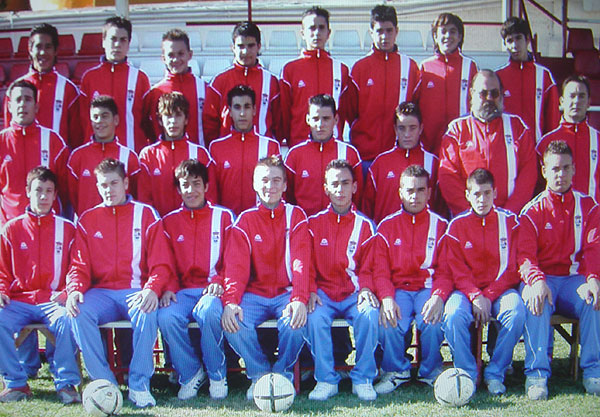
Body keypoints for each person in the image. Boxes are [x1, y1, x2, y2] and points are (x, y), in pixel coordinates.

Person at [66, 158, 172, 408]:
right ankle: (104, 383)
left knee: (147, 310)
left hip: (135, 289)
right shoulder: (87, 219)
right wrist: (74, 291)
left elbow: (161, 263)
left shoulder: (146, 214)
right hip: (101, 292)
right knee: (77, 311)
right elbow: (78, 266)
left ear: (125, 182)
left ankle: (139, 384)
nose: (109, 190)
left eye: (114, 183)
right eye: (103, 185)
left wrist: (152, 288)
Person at [220, 156, 310, 400]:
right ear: (254, 184)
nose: (270, 186)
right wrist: (231, 302)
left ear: (284, 186)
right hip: (255, 294)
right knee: (232, 321)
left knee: (298, 319)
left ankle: (282, 374)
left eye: (276, 180)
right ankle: (259, 374)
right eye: (264, 180)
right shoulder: (244, 221)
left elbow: (300, 261)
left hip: (285, 292)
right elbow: (236, 269)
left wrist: (299, 297)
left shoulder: (296, 216)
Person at [518, 140, 600, 399]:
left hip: (573, 279)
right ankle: (536, 375)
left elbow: (593, 248)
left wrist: (593, 279)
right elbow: (525, 256)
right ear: (544, 171)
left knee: (592, 298)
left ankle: (593, 371)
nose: (560, 175)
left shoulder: (589, 207)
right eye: (554, 169)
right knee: (536, 298)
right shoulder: (531, 211)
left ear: (574, 169)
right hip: (543, 277)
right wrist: (536, 280)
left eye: (566, 168)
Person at [441, 168, 525, 394]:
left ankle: (495, 371)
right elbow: (457, 271)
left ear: (495, 193)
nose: (482, 199)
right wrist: (475, 295)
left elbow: (513, 268)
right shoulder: (456, 227)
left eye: (487, 193)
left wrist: (488, 295)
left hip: (500, 290)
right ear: (467, 195)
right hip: (467, 291)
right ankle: (468, 373)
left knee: (516, 311)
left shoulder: (510, 223)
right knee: (452, 313)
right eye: (476, 194)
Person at [0, 167, 80, 404]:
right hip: (19, 300)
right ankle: (16, 383)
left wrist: (69, 291)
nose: (43, 197)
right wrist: (1, 291)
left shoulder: (67, 229)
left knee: (68, 318)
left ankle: (66, 383)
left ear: (55, 195)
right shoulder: (11, 229)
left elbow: (77, 267)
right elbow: (2, 270)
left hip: (53, 298)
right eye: (38, 191)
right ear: (27, 192)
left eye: (48, 191)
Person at [158, 159, 234, 400]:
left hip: (212, 290)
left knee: (209, 311)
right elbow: (164, 261)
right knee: (166, 316)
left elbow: (234, 259)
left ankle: (217, 375)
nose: (191, 190)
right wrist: (168, 287)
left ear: (207, 186)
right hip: (182, 292)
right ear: (178, 190)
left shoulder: (223, 217)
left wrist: (220, 281)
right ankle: (191, 373)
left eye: (196, 184)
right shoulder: (169, 221)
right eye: (185, 185)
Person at [371, 165, 449, 394]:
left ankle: (430, 371)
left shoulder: (441, 225)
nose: (415, 196)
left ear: (429, 192)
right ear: (400, 192)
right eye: (410, 190)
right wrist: (386, 298)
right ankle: (396, 371)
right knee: (389, 320)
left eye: (420, 190)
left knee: (433, 321)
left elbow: (446, 271)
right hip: (398, 290)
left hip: (428, 288)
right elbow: (380, 271)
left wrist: (439, 297)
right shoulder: (386, 226)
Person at [306, 159, 379, 401]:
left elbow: (370, 266)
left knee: (369, 314)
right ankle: (326, 380)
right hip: (324, 292)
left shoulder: (366, 225)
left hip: (353, 292)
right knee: (314, 317)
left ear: (355, 187)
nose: (340, 190)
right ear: (326, 188)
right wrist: (311, 289)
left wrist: (367, 288)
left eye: (345, 183)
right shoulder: (313, 224)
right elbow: (306, 264)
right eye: (334, 184)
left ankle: (363, 378)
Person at [438, 69, 536, 216]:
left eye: (494, 93)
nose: (489, 98)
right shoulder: (456, 130)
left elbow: (528, 174)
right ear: (471, 93)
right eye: (483, 93)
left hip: (508, 217)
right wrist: (469, 213)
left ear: (502, 94)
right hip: (467, 218)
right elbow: (448, 176)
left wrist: (509, 213)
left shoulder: (517, 127)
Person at [345, 4, 421, 164]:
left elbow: (417, 109)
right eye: (379, 31)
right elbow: (350, 111)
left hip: (399, 153)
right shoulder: (359, 68)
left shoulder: (410, 67)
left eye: (389, 30)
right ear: (371, 32)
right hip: (365, 156)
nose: (384, 36)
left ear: (396, 31)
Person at [280, 6, 351, 147]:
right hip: (300, 146)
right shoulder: (290, 69)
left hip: (334, 146)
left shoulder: (341, 70)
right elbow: (284, 113)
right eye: (312, 28)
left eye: (321, 28)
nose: (317, 33)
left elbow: (346, 111)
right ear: (302, 33)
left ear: (328, 32)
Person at [0, 79, 69, 224]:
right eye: (18, 100)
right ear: (10, 106)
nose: (22, 104)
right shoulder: (2, 141)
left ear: (36, 107)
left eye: (28, 99)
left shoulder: (53, 141)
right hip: (9, 225)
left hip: (48, 225)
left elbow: (65, 188)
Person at [2, 24, 82, 148]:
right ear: (30, 49)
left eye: (48, 47)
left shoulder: (69, 89)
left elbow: (76, 139)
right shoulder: (15, 90)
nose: (43, 52)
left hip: (55, 164)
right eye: (38, 46)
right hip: (23, 161)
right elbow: (9, 135)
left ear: (56, 51)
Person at [79, 16, 150, 153]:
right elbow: (83, 121)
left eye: (123, 40)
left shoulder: (140, 79)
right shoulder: (89, 77)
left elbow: (146, 122)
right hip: (96, 155)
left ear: (129, 44)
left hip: (130, 153)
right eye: (113, 39)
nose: (117, 45)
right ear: (103, 41)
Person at [285, 94, 362, 216]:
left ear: (336, 120)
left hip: (339, 226)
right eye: (316, 118)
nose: (320, 124)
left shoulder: (350, 154)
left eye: (326, 118)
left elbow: (357, 196)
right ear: (308, 119)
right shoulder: (294, 155)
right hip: (304, 225)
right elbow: (287, 197)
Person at [138, 92, 213, 217]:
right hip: (159, 227)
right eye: (168, 116)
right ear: (160, 120)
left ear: (186, 119)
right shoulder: (148, 155)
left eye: (178, 115)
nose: (173, 121)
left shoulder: (200, 153)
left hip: (192, 227)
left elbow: (210, 196)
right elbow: (144, 200)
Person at [204, 21, 281, 143]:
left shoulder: (271, 81)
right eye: (241, 46)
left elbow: (279, 123)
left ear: (259, 46)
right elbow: (209, 123)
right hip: (228, 152)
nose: (245, 52)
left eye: (250, 46)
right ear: (233, 47)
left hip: (262, 152)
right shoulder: (219, 81)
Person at [208, 85, 280, 215]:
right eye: (237, 107)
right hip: (227, 222)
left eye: (247, 107)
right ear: (229, 111)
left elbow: (278, 190)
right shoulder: (216, 147)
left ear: (254, 110)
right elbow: (211, 193)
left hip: (259, 222)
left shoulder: (270, 146)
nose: (242, 113)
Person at [363, 102, 438, 224]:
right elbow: (367, 208)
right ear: (395, 129)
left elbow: (439, 209)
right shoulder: (380, 164)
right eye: (402, 128)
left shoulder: (433, 163)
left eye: (412, 128)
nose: (407, 134)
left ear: (421, 129)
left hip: (423, 237)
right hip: (386, 237)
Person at [67, 95, 142, 217]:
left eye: (104, 116)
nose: (99, 121)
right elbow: (73, 197)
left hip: (123, 226)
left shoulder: (130, 157)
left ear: (116, 120)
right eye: (95, 117)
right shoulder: (77, 157)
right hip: (90, 228)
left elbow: (135, 194)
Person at [416, 13, 478, 155]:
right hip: (429, 146)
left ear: (460, 37)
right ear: (435, 36)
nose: (448, 36)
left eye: (453, 31)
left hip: (462, 143)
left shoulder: (470, 66)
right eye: (443, 31)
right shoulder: (424, 67)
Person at [496, 17, 560, 143]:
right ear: (505, 45)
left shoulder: (544, 76)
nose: (514, 45)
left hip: (536, 148)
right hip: (507, 147)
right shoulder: (498, 76)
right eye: (509, 41)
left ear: (528, 40)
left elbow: (553, 118)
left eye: (518, 38)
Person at [142, 29, 211, 146]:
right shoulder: (155, 93)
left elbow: (211, 127)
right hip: (166, 159)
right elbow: (148, 129)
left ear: (190, 55)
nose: (176, 59)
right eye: (171, 55)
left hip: (196, 159)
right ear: (163, 58)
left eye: (180, 54)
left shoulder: (204, 89)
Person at [536, 75, 600, 201]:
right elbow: (537, 185)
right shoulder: (545, 143)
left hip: (592, 216)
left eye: (581, 96)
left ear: (588, 103)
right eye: (572, 96)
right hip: (556, 216)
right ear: (562, 101)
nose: (576, 101)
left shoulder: (598, 140)